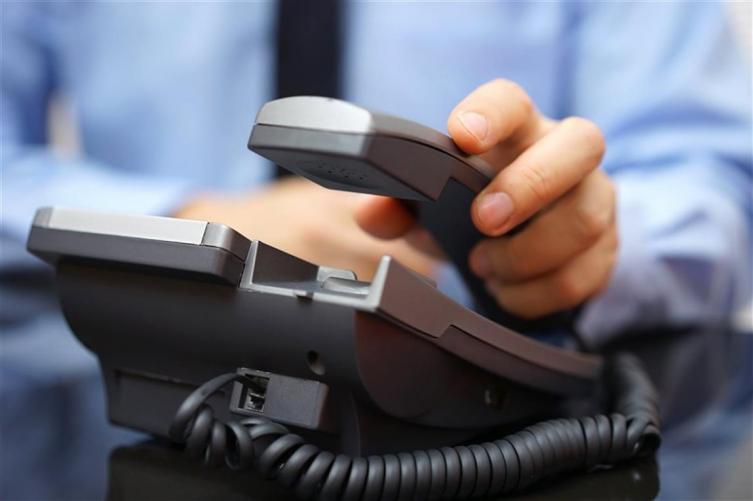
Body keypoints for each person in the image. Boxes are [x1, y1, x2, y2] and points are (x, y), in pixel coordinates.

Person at [1, 2, 750, 499]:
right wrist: (187, 222)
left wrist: (593, 244)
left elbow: (715, 178)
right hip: (115, 403)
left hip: (485, 365)